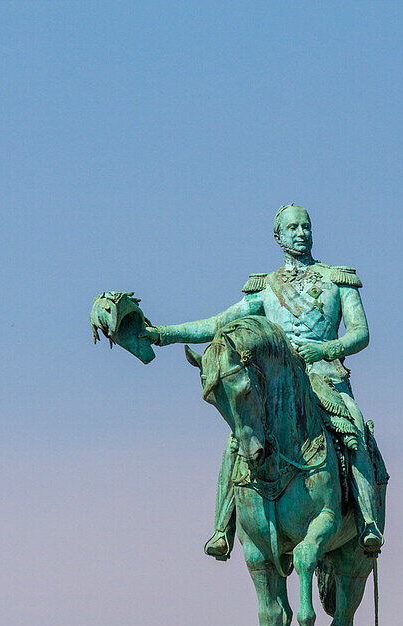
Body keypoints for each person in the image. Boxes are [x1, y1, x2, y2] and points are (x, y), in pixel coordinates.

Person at [144, 204, 384, 558]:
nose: (301, 233)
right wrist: (163, 334)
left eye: (306, 226)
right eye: (293, 228)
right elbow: (218, 324)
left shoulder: (337, 279)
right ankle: (222, 529)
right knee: (237, 439)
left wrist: (326, 348)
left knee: (355, 428)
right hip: (277, 389)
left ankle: (367, 520)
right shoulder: (265, 288)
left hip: (327, 378)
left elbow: (361, 334)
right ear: (278, 237)